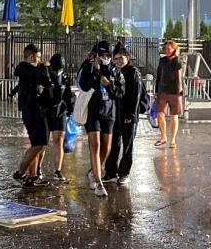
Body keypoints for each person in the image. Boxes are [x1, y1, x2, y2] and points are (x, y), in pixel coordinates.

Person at [78, 40, 121, 197]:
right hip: (93, 111)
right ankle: (98, 181)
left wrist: (109, 83)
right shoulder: (88, 66)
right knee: (95, 145)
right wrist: (96, 74)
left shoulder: (113, 68)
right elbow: (83, 85)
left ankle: (92, 171)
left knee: (106, 147)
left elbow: (119, 90)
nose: (106, 58)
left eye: (108, 55)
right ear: (96, 54)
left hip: (109, 111)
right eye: (103, 55)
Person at [10, 44, 50, 186]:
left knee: (40, 142)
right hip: (31, 110)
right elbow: (43, 79)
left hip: (38, 109)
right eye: (38, 57)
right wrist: (44, 68)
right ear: (32, 56)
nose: (40, 60)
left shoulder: (31, 70)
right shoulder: (25, 69)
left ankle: (31, 174)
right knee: (38, 142)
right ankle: (21, 172)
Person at [104, 46, 144, 185]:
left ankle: (124, 173)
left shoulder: (133, 72)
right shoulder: (115, 71)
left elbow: (136, 95)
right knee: (114, 144)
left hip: (128, 115)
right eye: (115, 59)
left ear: (127, 57)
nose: (118, 61)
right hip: (116, 113)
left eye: (120, 58)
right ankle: (110, 172)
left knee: (127, 145)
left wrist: (131, 114)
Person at [42, 52, 75, 182]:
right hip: (47, 111)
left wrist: (69, 110)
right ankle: (38, 169)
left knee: (59, 140)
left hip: (60, 111)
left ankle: (58, 170)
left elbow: (68, 94)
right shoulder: (46, 74)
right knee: (42, 143)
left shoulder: (65, 77)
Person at [155, 39, 184, 149]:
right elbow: (158, 75)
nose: (166, 50)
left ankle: (172, 140)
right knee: (160, 114)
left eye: (169, 48)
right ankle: (163, 137)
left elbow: (179, 67)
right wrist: (157, 90)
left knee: (174, 116)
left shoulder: (180, 59)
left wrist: (176, 56)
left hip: (175, 91)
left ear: (174, 49)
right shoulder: (162, 60)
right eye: (165, 48)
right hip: (163, 90)